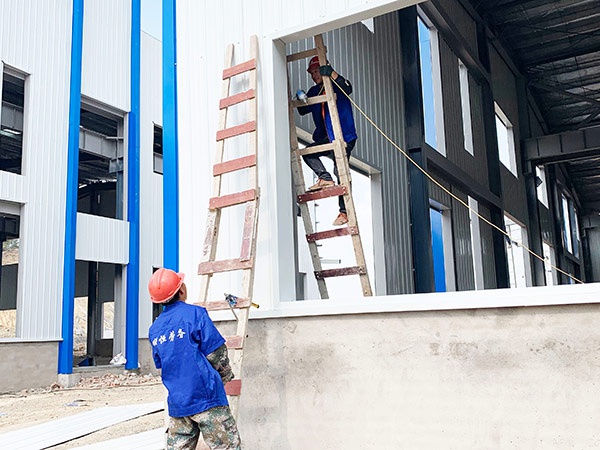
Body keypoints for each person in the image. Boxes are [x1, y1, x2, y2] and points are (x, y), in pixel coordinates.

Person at [148, 268, 242, 450]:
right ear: (181, 289)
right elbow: (216, 353)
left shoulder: (155, 329)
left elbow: (161, 363)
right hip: (206, 397)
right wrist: (225, 376)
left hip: (178, 403)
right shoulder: (196, 314)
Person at [298, 55, 358, 226]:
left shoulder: (336, 85)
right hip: (326, 136)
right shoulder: (313, 91)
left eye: (316, 72)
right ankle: (325, 178)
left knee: (341, 172)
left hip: (344, 135)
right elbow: (303, 111)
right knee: (309, 153)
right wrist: (301, 99)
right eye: (312, 73)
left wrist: (332, 74)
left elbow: (348, 88)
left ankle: (344, 212)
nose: (314, 76)